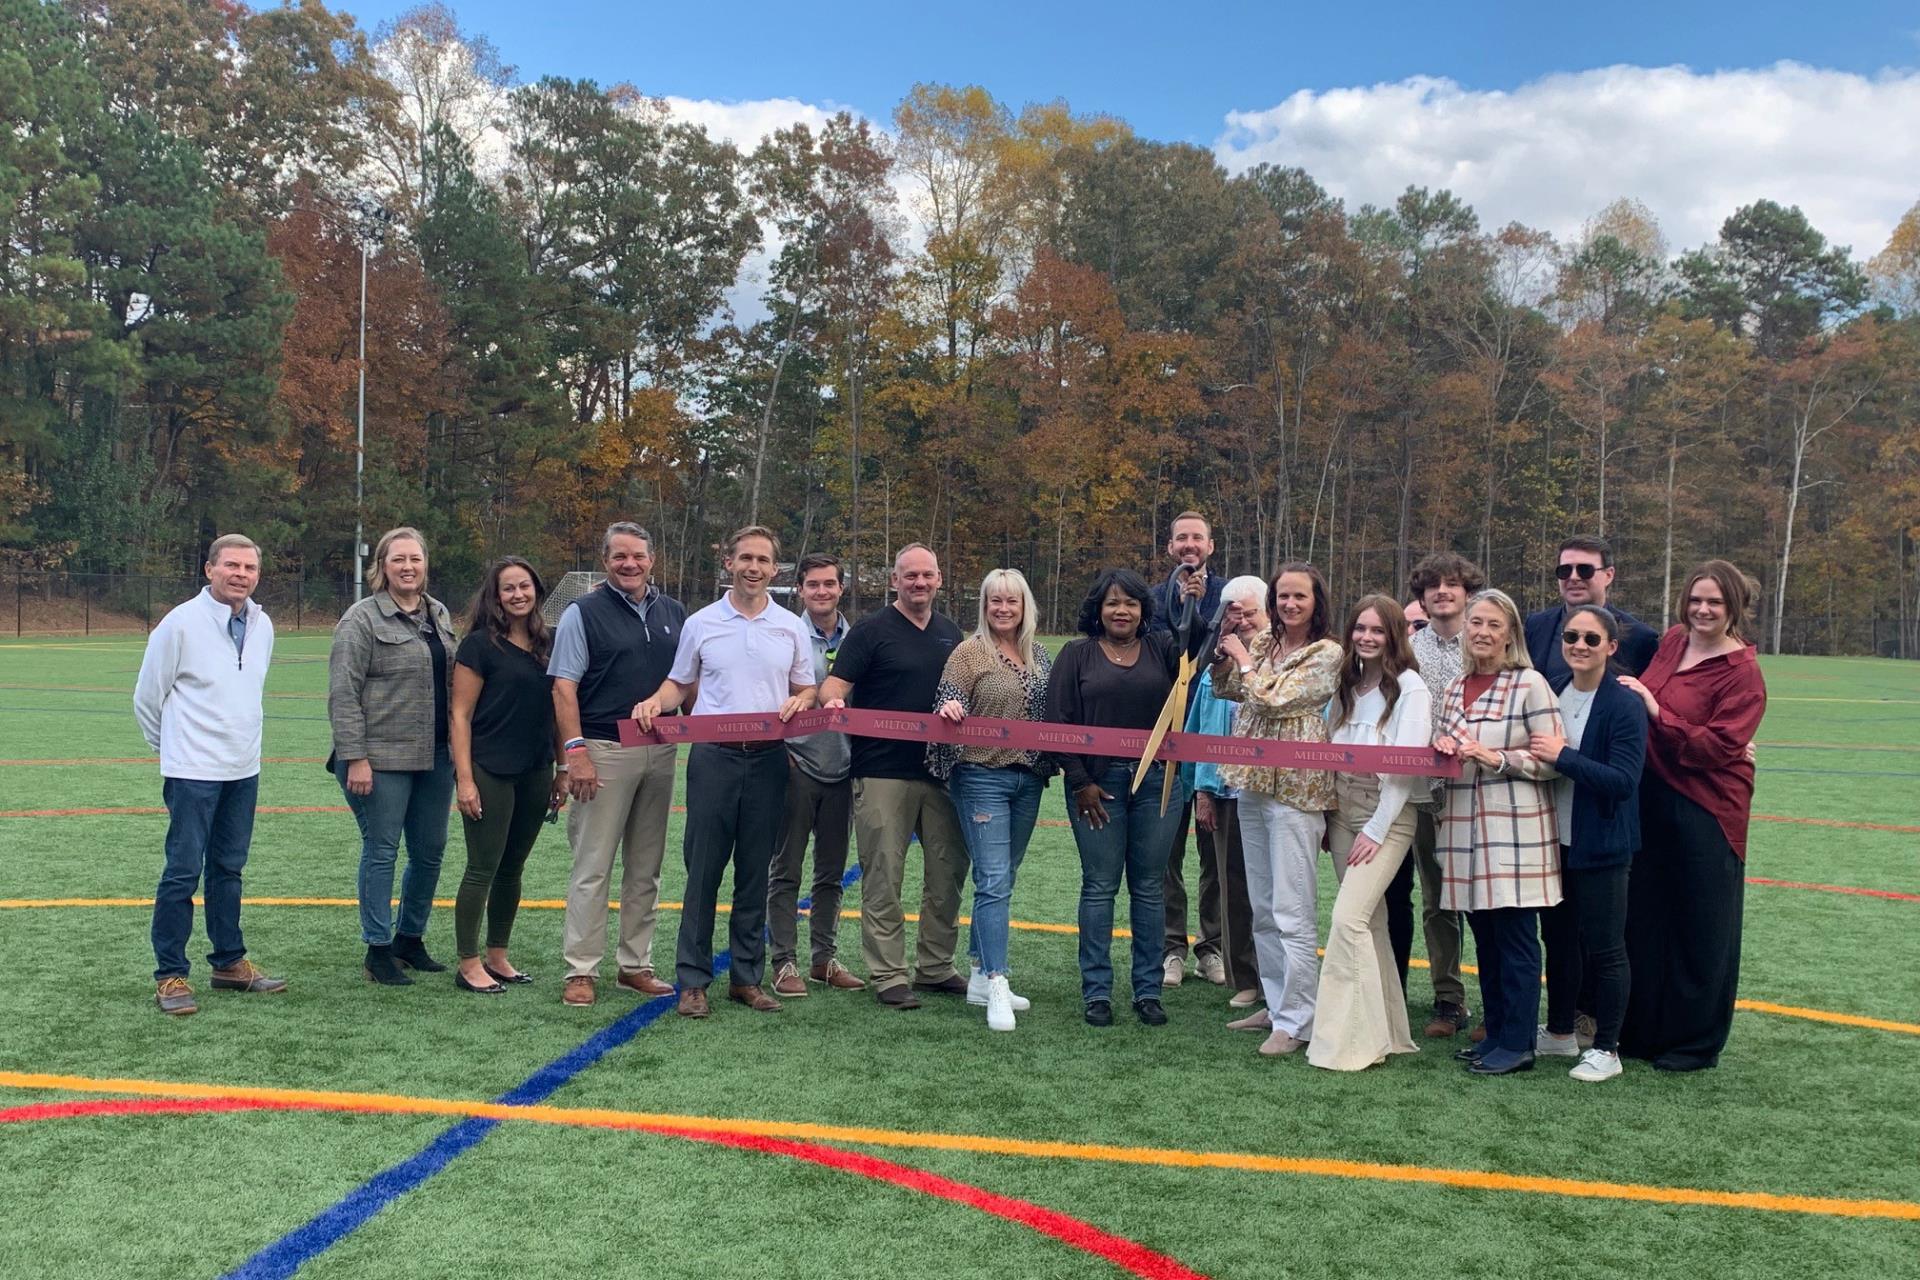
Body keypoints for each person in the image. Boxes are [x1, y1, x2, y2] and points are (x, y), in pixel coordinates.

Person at [633, 526, 816, 1019]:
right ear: (729, 563)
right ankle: (692, 981)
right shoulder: (701, 622)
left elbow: (806, 686)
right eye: (745, 558)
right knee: (704, 871)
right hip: (714, 757)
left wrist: (805, 696)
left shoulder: (790, 626)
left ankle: (746, 979)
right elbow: (678, 683)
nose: (754, 567)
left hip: (770, 761)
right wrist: (656, 701)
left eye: (763, 560)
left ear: (774, 570)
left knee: (755, 872)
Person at [1617, 561, 1766, 1071]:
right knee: (1647, 917)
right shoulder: (1674, 640)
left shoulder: (1741, 671)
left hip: (1707, 805)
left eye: (1716, 603)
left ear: (1734, 609)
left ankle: (1694, 1042)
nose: (1703, 610)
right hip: (1651, 794)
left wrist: (1659, 713)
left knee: (1701, 925)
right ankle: (1643, 1031)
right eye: (1697, 599)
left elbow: (1720, 746)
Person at [135, 534, 286, 1015]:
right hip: (192, 772)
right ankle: (171, 975)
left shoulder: (263, 626)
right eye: (231, 565)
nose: (240, 574)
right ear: (209, 569)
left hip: (243, 769)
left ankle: (229, 963)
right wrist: (175, 750)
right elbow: (147, 697)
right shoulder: (179, 624)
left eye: (249, 567)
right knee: (182, 872)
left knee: (229, 869)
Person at [1046, 569, 1201, 1027]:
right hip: (1098, 786)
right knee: (1099, 886)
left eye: (1130, 603)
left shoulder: (1163, 649)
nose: (1121, 611)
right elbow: (1058, 722)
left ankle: (1148, 990)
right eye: (1112, 603)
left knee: (1150, 888)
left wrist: (1191, 598)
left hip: (1159, 782)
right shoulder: (1077, 655)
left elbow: (1201, 651)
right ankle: (1097, 992)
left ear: (1142, 609)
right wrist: (1079, 781)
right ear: (1098, 608)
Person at [818, 544, 967, 1011]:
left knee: (947, 873)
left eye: (927, 575)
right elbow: (835, 684)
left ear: (939, 579)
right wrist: (832, 702)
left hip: (940, 770)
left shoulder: (950, 633)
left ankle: (936, 966)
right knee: (884, 874)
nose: (919, 583)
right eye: (910, 576)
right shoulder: (870, 630)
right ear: (895, 581)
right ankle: (888, 974)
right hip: (881, 770)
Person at [548, 523, 688, 1008]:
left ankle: (635, 965)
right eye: (619, 557)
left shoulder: (674, 612)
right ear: (605, 560)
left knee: (646, 868)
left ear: (653, 559)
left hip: (662, 750)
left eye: (638, 556)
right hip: (604, 751)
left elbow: (685, 682)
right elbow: (563, 686)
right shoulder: (581, 613)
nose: (630, 564)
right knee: (593, 866)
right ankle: (581, 969)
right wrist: (576, 752)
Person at [1212, 562, 1343, 1057]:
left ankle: (1299, 1019)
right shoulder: (1265, 643)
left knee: (1292, 907)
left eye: (1299, 597)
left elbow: (1271, 700)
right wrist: (1225, 653)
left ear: (1316, 602)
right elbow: (1228, 690)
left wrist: (1244, 659)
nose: (1289, 604)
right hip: (1251, 780)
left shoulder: (1327, 652)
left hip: (1297, 787)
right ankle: (1276, 1000)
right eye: (1283, 596)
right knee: (1262, 905)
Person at [1433, 588, 1565, 1076]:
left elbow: (1553, 760)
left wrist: (1498, 758)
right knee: (1485, 938)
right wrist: (1442, 745)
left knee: (1515, 939)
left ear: (1510, 634)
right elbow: (1444, 748)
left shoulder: (1529, 684)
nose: (1483, 633)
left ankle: (1520, 1041)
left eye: (1493, 624)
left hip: (1514, 832)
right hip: (1464, 828)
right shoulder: (1454, 686)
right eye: (1476, 623)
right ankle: (1497, 1034)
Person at [1308, 594, 1432, 1072]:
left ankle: (1350, 1042)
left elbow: (1403, 770)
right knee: (1372, 922)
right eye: (1360, 628)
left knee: (1348, 920)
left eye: (1377, 630)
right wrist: (1327, 814)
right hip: (1342, 809)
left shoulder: (1411, 688)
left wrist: (1378, 830)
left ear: (1395, 635)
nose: (1366, 637)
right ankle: (1391, 1035)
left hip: (1387, 814)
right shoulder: (1347, 684)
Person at [329, 526, 456, 986]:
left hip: (436, 756)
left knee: (430, 852)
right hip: (379, 757)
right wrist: (355, 757)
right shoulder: (361, 619)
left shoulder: (438, 614)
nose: (408, 567)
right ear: (381, 566)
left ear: (425, 564)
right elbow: (343, 694)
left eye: (415, 559)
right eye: (398, 559)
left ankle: (410, 938)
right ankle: (378, 948)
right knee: (381, 850)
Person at [929, 569, 1054, 1032]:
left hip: (1030, 779)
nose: (1003, 609)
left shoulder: (1040, 656)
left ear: (1025, 607)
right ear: (984, 606)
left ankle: (981, 971)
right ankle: (997, 981)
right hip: (981, 774)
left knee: (1005, 875)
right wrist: (949, 708)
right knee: (994, 879)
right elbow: (947, 696)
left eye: (1012, 602)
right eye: (994, 601)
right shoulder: (968, 652)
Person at [1528, 606, 1647, 1082]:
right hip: (1553, 841)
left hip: (1602, 845)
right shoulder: (1554, 690)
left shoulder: (1623, 703)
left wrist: (1565, 757)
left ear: (1611, 648)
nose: (1579, 645)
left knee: (1605, 948)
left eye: (1592, 639)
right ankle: (1559, 1032)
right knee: (1557, 942)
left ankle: (1607, 1048)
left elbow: (1622, 780)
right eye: (1572, 636)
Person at [448, 558, 568, 995]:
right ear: (495, 596)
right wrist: (465, 779)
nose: (518, 594)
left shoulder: (550, 643)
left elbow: (558, 711)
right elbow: (459, 715)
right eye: (508, 589)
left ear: (537, 589)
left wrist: (562, 769)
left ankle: (498, 954)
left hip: (535, 769)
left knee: (512, 868)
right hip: (489, 768)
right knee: (482, 867)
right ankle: (468, 962)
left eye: (524, 586)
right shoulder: (479, 646)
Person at [766, 553, 863, 998]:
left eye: (829, 584)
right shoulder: (783, 632)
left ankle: (824, 958)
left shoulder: (860, 637)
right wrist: (780, 753)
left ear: (841, 588)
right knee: (785, 870)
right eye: (813, 585)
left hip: (843, 768)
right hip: (796, 766)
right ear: (800, 590)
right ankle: (783, 962)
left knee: (830, 871)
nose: (822, 592)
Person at [1144, 511, 1228, 989]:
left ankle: (1211, 946)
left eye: (1197, 537)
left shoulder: (1231, 594)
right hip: (1166, 736)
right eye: (1181, 538)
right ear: (1170, 546)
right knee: (1166, 851)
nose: (1189, 545)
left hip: (1213, 735)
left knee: (1214, 853)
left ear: (1210, 546)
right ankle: (1171, 946)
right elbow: (1158, 651)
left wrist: (1201, 612)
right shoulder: (1153, 598)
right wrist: (1179, 608)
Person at [1404, 551, 1486, 1037]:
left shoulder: (1484, 643)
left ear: (1467, 592)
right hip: (1422, 791)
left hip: (1475, 788)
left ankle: (1495, 1001)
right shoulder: (1408, 649)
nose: (1442, 592)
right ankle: (1448, 998)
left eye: (1452, 584)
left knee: (1483, 899)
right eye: (1433, 586)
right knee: (1436, 901)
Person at [1180, 574, 1265, 1010]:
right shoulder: (1217, 667)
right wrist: (1203, 791)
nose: (1244, 620)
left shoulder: (1278, 659)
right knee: (1230, 887)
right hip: (1224, 792)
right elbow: (1198, 731)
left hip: (1271, 792)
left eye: (1251, 612)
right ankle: (1244, 976)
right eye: (1235, 613)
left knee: (1270, 890)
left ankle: (1278, 979)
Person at [1525, 536, 1660, 688]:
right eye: (1565, 570)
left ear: (1609, 575)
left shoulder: (1640, 639)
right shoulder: (1536, 626)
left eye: (1585, 570)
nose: (1573, 577)